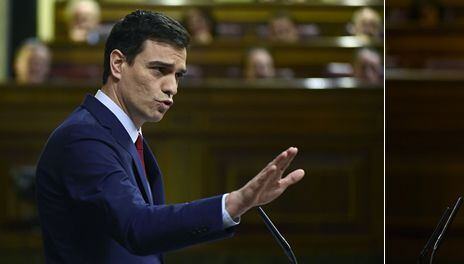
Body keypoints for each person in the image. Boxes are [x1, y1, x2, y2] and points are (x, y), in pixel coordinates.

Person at [36, 10, 305, 263]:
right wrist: (233, 203)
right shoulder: (83, 138)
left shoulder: (121, 134)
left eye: (178, 75)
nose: (172, 87)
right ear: (118, 64)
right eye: (159, 70)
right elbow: (137, 226)